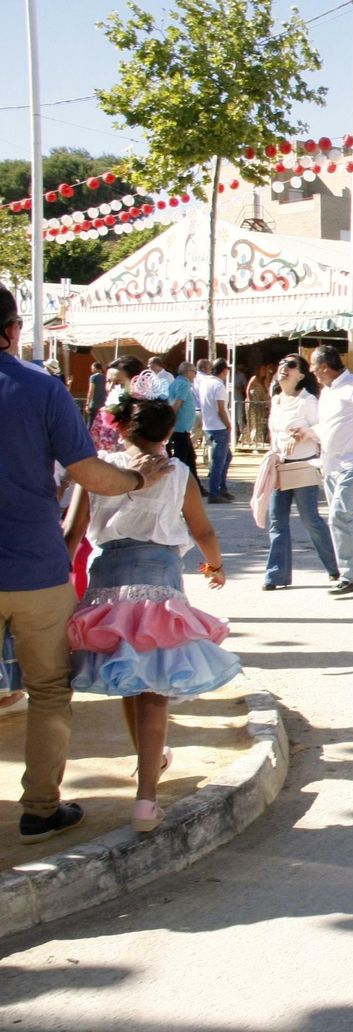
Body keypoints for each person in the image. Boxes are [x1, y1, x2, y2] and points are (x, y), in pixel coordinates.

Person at [0, 284, 173, 843]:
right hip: (34, 569)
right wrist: (135, 478)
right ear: (11, 330)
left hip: (34, 563)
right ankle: (41, 808)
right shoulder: (40, 389)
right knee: (49, 689)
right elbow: (87, 472)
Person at [61, 371, 237, 834]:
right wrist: (215, 566)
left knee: (128, 674)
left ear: (119, 425)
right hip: (160, 584)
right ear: (171, 430)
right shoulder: (178, 474)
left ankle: (150, 763)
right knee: (154, 689)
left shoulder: (97, 466)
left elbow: (74, 534)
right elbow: (202, 531)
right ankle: (145, 799)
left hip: (106, 582)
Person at [297, 345, 353, 594]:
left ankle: (350, 574)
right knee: (348, 518)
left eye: (313, 366)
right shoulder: (327, 392)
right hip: (331, 463)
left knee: (340, 516)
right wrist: (308, 433)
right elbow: (328, 426)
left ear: (325, 366)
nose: (312, 371)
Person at [260, 354, 340, 591]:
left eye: (291, 365)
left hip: (303, 465)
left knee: (310, 519)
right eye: (281, 363)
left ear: (301, 374)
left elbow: (323, 429)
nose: (284, 368)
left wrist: (306, 432)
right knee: (277, 521)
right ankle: (275, 575)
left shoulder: (308, 401)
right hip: (280, 466)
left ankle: (336, 566)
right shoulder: (276, 399)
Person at [194, 357, 233, 502]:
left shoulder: (205, 383)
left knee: (225, 457)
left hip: (209, 425)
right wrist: (228, 424)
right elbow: (221, 409)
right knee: (219, 461)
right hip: (218, 426)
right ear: (224, 371)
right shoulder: (218, 386)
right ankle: (214, 492)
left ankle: (221, 488)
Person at [92, 357, 144, 452]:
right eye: (108, 381)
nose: (111, 387)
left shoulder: (145, 413)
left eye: (118, 382)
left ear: (135, 383)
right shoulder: (103, 413)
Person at [167, 361, 201, 488]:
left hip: (180, 428)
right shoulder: (183, 384)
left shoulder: (175, 383)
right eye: (194, 372)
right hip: (180, 428)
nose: (195, 375)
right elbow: (177, 403)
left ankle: (196, 486)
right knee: (181, 459)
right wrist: (170, 422)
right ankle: (177, 485)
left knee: (189, 458)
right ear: (187, 372)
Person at [244, 363, 271, 449]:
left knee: (258, 423)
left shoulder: (262, 381)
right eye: (262, 369)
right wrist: (249, 400)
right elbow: (248, 389)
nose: (264, 371)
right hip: (252, 404)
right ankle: (252, 441)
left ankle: (255, 441)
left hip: (259, 405)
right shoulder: (254, 378)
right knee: (252, 423)